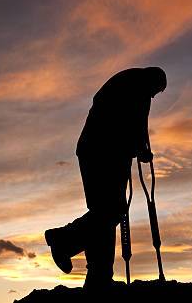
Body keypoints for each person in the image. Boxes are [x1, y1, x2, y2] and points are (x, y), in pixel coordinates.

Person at [44, 66, 167, 290]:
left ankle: (98, 277)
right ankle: (63, 240)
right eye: (155, 93)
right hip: (103, 153)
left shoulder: (129, 81)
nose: (153, 97)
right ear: (153, 82)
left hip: (97, 151)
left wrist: (136, 148)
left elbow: (129, 123)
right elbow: (133, 122)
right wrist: (140, 149)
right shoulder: (138, 87)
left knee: (105, 211)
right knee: (111, 211)